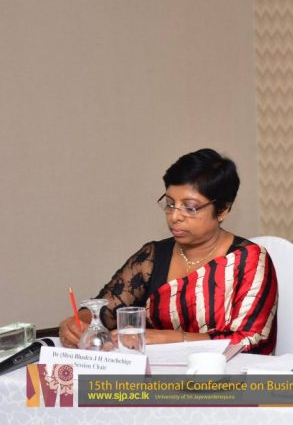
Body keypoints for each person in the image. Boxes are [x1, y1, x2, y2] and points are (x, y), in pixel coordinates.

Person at [59, 149, 277, 354]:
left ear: (222, 210)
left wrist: (172, 338)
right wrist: (79, 322)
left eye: (190, 207)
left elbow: (252, 339)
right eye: (170, 204)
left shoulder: (248, 260)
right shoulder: (152, 256)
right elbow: (106, 310)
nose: (174, 216)